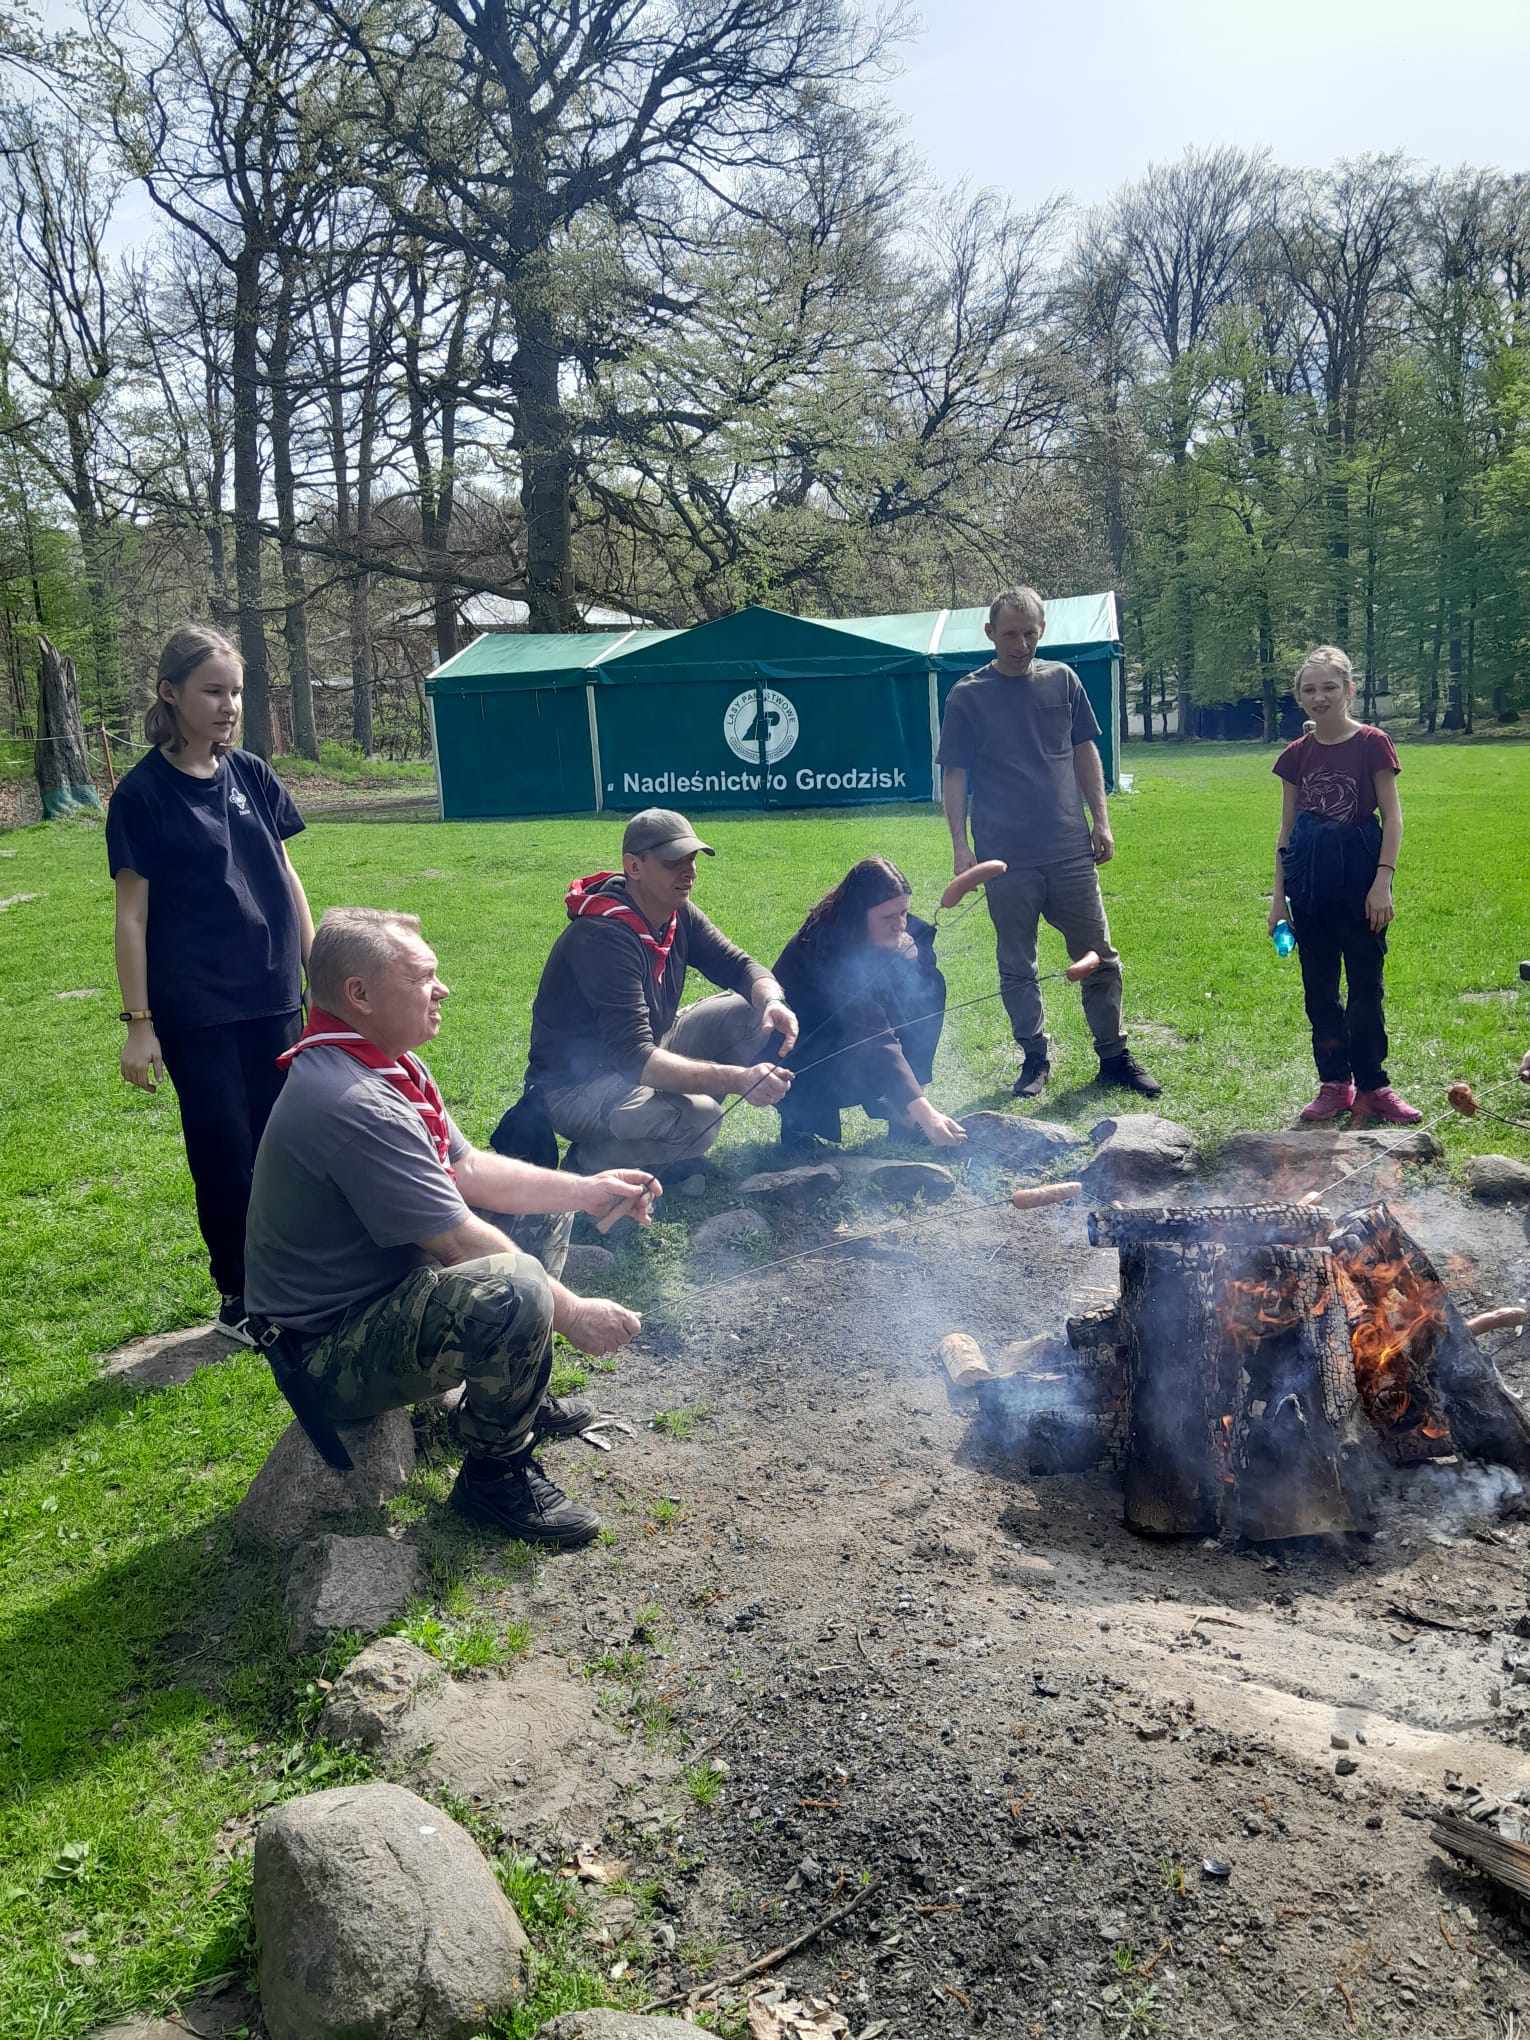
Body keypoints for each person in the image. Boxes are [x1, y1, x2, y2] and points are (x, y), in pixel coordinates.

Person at [245, 908, 655, 1549]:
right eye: (424, 978)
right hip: (326, 1352)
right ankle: (496, 1474)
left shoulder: (384, 1063)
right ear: (360, 994)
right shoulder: (349, 1100)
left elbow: (466, 1170)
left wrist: (587, 1190)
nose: (444, 990)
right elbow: (459, 1240)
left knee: (529, 1218)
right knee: (514, 1286)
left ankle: (511, 1395)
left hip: (380, 1296)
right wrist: (572, 1315)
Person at [107, 624, 315, 1344]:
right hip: (199, 1009)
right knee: (227, 1152)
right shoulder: (140, 796)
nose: (228, 705)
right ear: (171, 695)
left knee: (285, 1143)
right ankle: (241, 1299)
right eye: (212, 691)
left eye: (235, 691)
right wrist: (139, 1023)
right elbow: (131, 917)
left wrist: (314, 972)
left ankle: (296, 1282)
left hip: (274, 994)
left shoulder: (251, 773)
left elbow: (287, 876)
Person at [937, 588, 1159, 1101]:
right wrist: (960, 845)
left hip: (1067, 846)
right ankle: (1034, 1057)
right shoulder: (968, 695)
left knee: (1098, 955)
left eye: (1030, 633)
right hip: (1001, 855)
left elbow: (1086, 752)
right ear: (990, 633)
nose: (1020, 644)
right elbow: (955, 775)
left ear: (1042, 631)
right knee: (1017, 962)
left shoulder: (1063, 681)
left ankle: (1113, 1055)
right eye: (1010, 634)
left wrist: (1101, 821)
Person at [519, 808, 800, 1176]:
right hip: (574, 1088)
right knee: (702, 1120)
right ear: (634, 867)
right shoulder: (603, 936)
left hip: (640, 1057)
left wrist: (773, 1001)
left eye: (692, 860)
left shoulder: (676, 912)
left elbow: (739, 965)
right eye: (673, 862)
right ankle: (591, 1163)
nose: (689, 872)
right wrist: (739, 1079)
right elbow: (635, 1057)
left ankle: (669, 1135)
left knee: (751, 1013)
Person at [1268, 645, 1420, 1125]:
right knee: (1319, 989)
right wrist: (1279, 899)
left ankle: (1375, 1086)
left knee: (1366, 987)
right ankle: (1335, 1084)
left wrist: (1382, 882)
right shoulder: (1296, 756)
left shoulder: (1373, 743)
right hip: (1309, 881)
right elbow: (1286, 831)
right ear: (1299, 697)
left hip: (1359, 877)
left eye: (1329, 687)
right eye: (1309, 689)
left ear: (1349, 689)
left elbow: (1392, 818)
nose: (1320, 697)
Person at [771, 857, 966, 1151]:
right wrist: (928, 1113)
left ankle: (904, 1116)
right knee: (844, 1046)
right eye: (889, 918)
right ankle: (799, 1128)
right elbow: (870, 1032)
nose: (900, 925)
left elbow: (920, 978)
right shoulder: (824, 946)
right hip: (801, 1052)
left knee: (928, 985)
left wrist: (915, 955)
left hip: (855, 1036)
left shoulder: (887, 926)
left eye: (904, 913)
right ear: (857, 914)